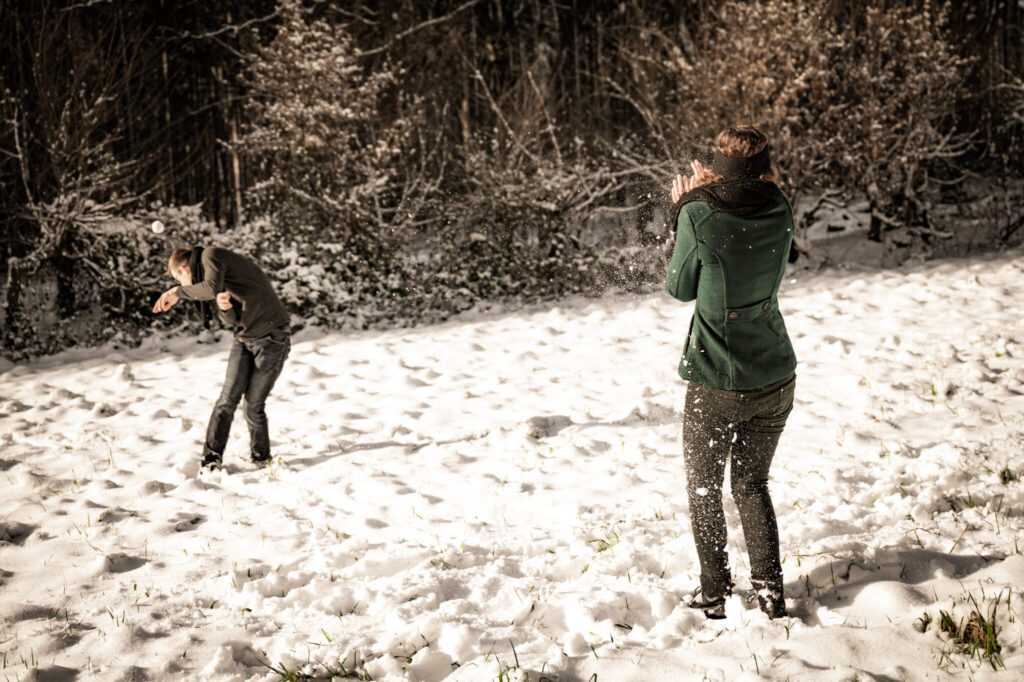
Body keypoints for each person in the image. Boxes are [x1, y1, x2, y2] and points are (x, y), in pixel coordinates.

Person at [665, 125, 797, 620]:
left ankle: (715, 594)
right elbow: (746, 202)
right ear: (765, 167)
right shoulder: (781, 207)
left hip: (718, 377)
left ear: (715, 168)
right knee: (752, 484)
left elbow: (679, 287)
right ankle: (769, 596)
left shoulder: (699, 214)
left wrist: (685, 209)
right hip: (777, 371)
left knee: (704, 488)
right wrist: (712, 193)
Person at [152, 246, 291, 471]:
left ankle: (262, 459)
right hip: (244, 338)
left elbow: (209, 288)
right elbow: (230, 318)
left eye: (179, 280)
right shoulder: (214, 276)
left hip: (272, 337)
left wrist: (175, 293)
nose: (182, 286)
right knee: (226, 401)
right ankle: (211, 460)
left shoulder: (211, 256)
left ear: (185, 270)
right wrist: (223, 306)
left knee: (253, 405)